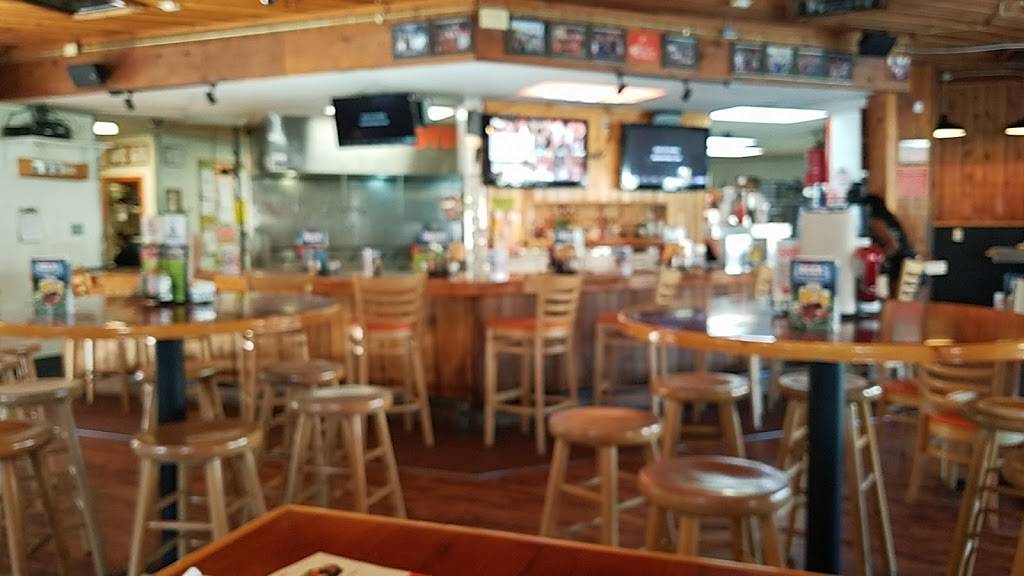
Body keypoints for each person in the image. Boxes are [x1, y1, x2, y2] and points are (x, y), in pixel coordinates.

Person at [859, 193, 916, 285]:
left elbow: (893, 246)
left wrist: (876, 259)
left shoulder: (876, 222)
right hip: (909, 265)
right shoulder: (890, 219)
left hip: (898, 268)